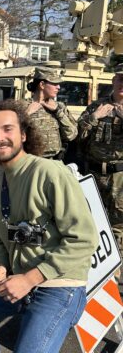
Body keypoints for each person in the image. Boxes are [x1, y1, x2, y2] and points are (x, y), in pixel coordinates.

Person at [0, 99, 98, 353]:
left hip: (58, 286)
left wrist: (30, 279)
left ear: (23, 134)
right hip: (18, 278)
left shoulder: (51, 173)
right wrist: (0, 266)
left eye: (8, 129)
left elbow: (84, 239)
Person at [77, 64, 123, 257]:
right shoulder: (98, 105)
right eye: (120, 79)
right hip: (94, 172)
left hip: (119, 175)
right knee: (91, 218)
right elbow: (78, 131)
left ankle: (115, 265)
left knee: (118, 223)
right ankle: (94, 259)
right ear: (113, 81)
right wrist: (95, 116)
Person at [24, 67, 77, 159]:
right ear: (42, 84)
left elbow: (71, 135)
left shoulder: (59, 107)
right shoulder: (22, 106)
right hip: (31, 162)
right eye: (55, 84)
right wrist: (27, 114)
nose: (58, 87)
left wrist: (58, 112)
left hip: (55, 162)